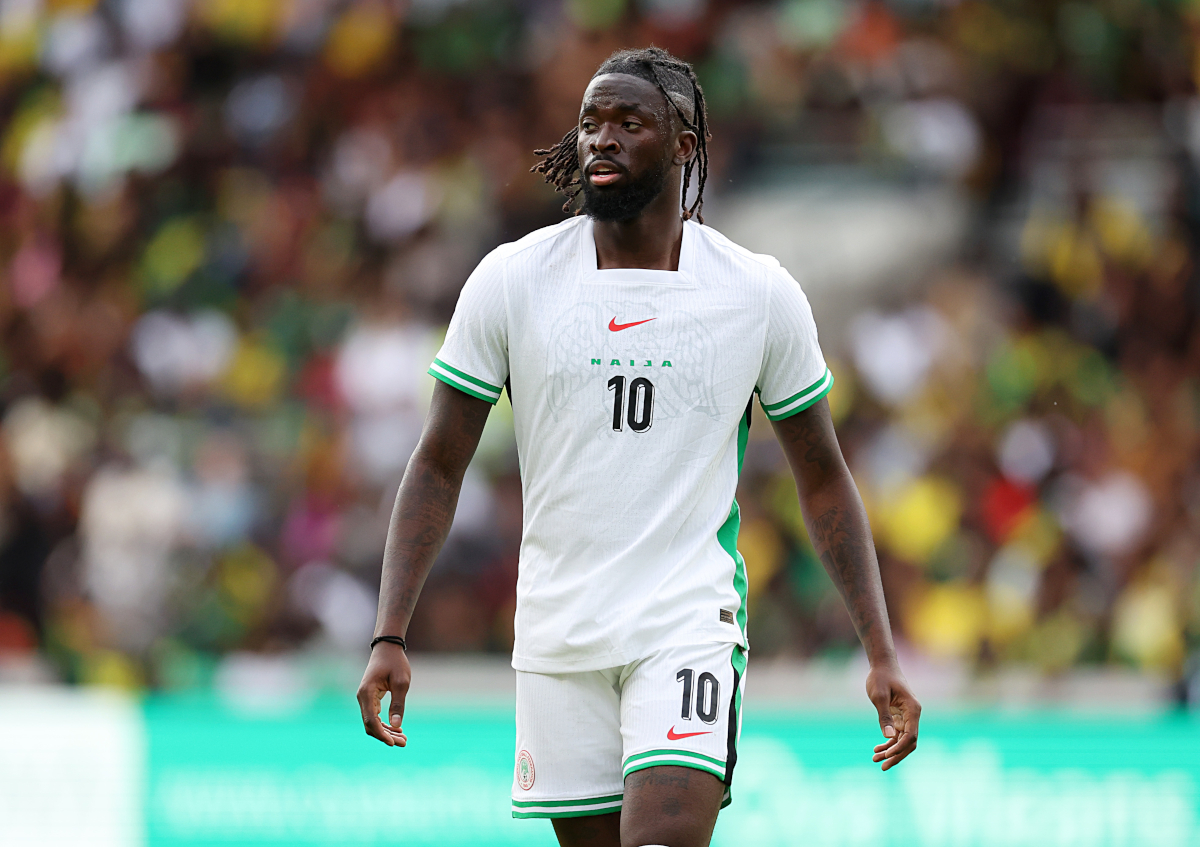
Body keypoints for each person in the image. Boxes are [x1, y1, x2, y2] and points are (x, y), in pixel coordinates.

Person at [357, 46, 921, 847]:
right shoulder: (512, 281)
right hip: (560, 632)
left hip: (686, 620)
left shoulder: (756, 292)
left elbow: (824, 477)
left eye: (630, 122)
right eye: (590, 122)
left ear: (685, 143)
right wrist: (390, 631)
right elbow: (438, 462)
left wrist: (880, 648)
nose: (602, 140)